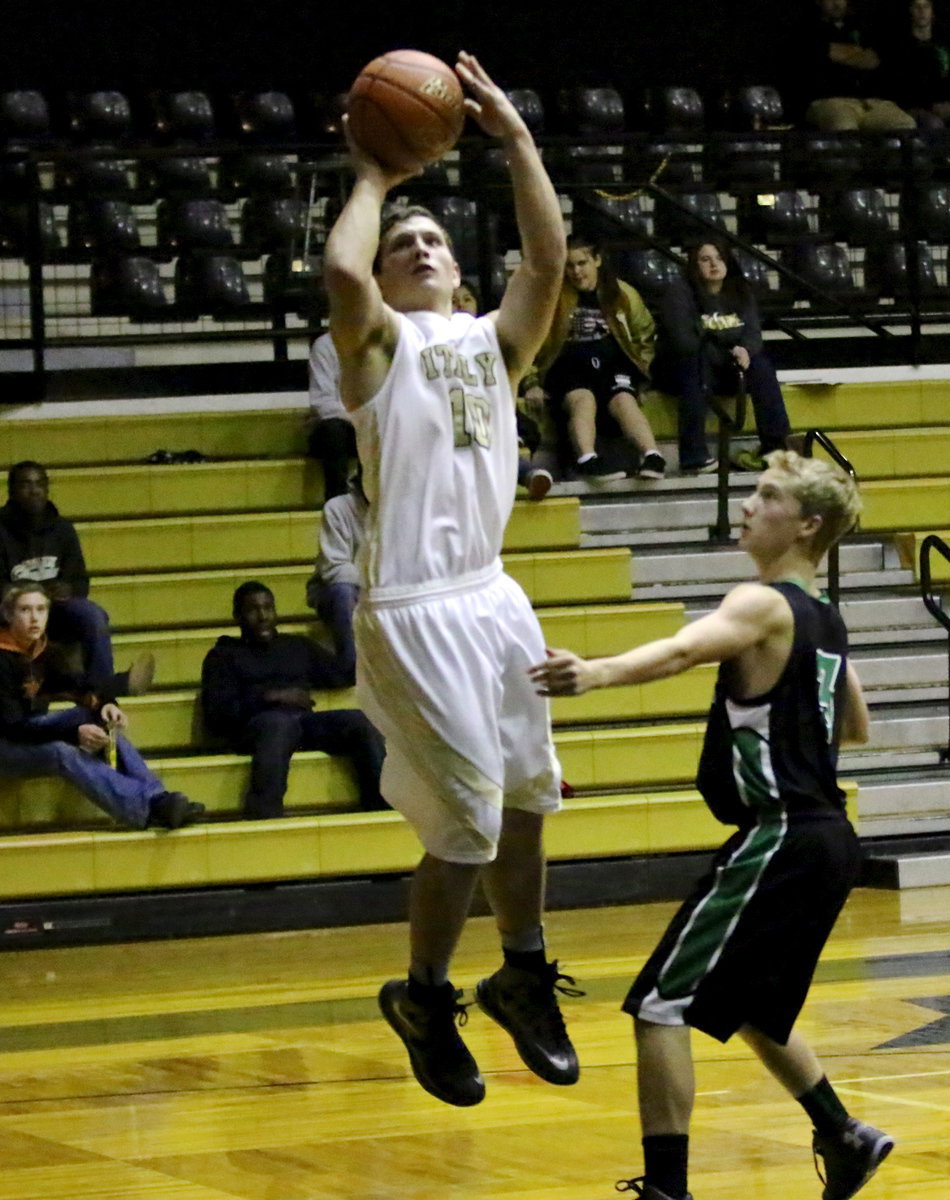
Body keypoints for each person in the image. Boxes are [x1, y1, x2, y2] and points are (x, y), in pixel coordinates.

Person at [532, 451, 894, 1200]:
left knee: (659, 1004)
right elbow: (854, 725)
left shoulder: (761, 603)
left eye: (766, 497)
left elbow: (684, 649)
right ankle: (845, 1135)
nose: (747, 506)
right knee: (753, 1005)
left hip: (781, 833)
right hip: (827, 837)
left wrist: (595, 673)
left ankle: (667, 1192)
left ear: (807, 525)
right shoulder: (824, 620)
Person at [323, 50, 578, 1109]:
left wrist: (515, 141)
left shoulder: (492, 344)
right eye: (402, 247)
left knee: (530, 801)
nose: (419, 248)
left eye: (434, 240)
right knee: (467, 821)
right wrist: (376, 178)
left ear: (461, 277)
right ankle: (423, 993)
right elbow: (339, 274)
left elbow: (548, 261)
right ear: (385, 284)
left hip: (493, 598)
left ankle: (520, 969)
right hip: (414, 610)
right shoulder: (375, 350)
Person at [0, 584, 202, 830]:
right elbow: (13, 729)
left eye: (41, 609)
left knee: (95, 719)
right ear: (9, 615)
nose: (34, 617)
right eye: (25, 610)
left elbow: (75, 686)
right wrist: (73, 734)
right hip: (6, 744)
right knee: (61, 752)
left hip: (29, 729)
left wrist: (103, 705)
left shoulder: (43, 650)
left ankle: (159, 799)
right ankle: (146, 810)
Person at [200, 581, 386, 818]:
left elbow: (344, 673)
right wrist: (270, 698)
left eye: (268, 608)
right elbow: (218, 716)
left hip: (304, 725)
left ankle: (381, 806)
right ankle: (263, 814)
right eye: (253, 610)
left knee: (359, 721)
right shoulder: (223, 656)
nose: (263, 616)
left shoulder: (296, 647)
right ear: (237, 615)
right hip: (255, 728)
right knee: (278, 724)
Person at [0, 461, 155, 697]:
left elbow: (81, 582)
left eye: (40, 484)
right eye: (26, 484)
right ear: (11, 491)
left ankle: (103, 699)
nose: (35, 490)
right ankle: (110, 690)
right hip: (14, 616)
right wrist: (36, 593)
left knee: (93, 615)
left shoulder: (63, 530)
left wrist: (68, 589)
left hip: (55, 612)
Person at [521, 233, 665, 483]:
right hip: (568, 365)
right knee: (583, 400)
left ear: (597, 260)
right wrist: (532, 381)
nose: (576, 272)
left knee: (624, 400)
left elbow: (644, 334)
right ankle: (588, 459)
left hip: (611, 363)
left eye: (581, 263)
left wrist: (642, 375)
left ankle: (652, 456)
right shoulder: (552, 296)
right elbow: (530, 340)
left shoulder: (621, 293)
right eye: (569, 265)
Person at [655, 238, 792, 474]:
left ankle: (775, 446)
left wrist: (745, 351)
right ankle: (693, 455)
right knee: (694, 364)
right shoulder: (678, 293)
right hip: (681, 369)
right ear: (694, 264)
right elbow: (684, 342)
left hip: (725, 367)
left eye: (719, 258)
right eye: (705, 259)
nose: (714, 265)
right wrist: (729, 350)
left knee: (762, 366)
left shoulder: (741, 290)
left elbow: (753, 334)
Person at [455, 280, 553, 500]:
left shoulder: (494, 333)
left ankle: (525, 468)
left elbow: (522, 366)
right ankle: (526, 472)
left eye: (467, 299)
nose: (461, 305)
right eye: (454, 301)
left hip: (494, 415)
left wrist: (532, 385)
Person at [798, 0, 916, 133]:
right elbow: (825, 53)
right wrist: (857, 53)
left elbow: (873, 59)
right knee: (843, 126)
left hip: (871, 102)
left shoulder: (862, 25)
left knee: (905, 125)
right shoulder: (809, 28)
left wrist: (841, 54)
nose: (837, 4)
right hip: (830, 100)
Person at [306, 474, 367, 685]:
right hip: (332, 591)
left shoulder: (399, 508)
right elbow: (335, 568)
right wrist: (378, 582)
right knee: (343, 591)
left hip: (379, 588)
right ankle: (349, 667)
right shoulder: (337, 508)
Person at [882, 0, 950, 133]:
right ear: (910, 11)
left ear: (932, 12)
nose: (922, 11)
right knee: (933, 123)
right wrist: (929, 106)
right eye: (917, 7)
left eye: (926, 6)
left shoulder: (945, 44)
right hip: (916, 107)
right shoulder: (902, 47)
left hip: (947, 104)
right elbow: (903, 85)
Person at [306, 332, 358, 500]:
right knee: (333, 431)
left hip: (369, 424)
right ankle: (337, 501)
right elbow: (322, 402)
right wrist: (357, 420)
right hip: (338, 427)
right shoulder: (325, 346)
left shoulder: (381, 344)